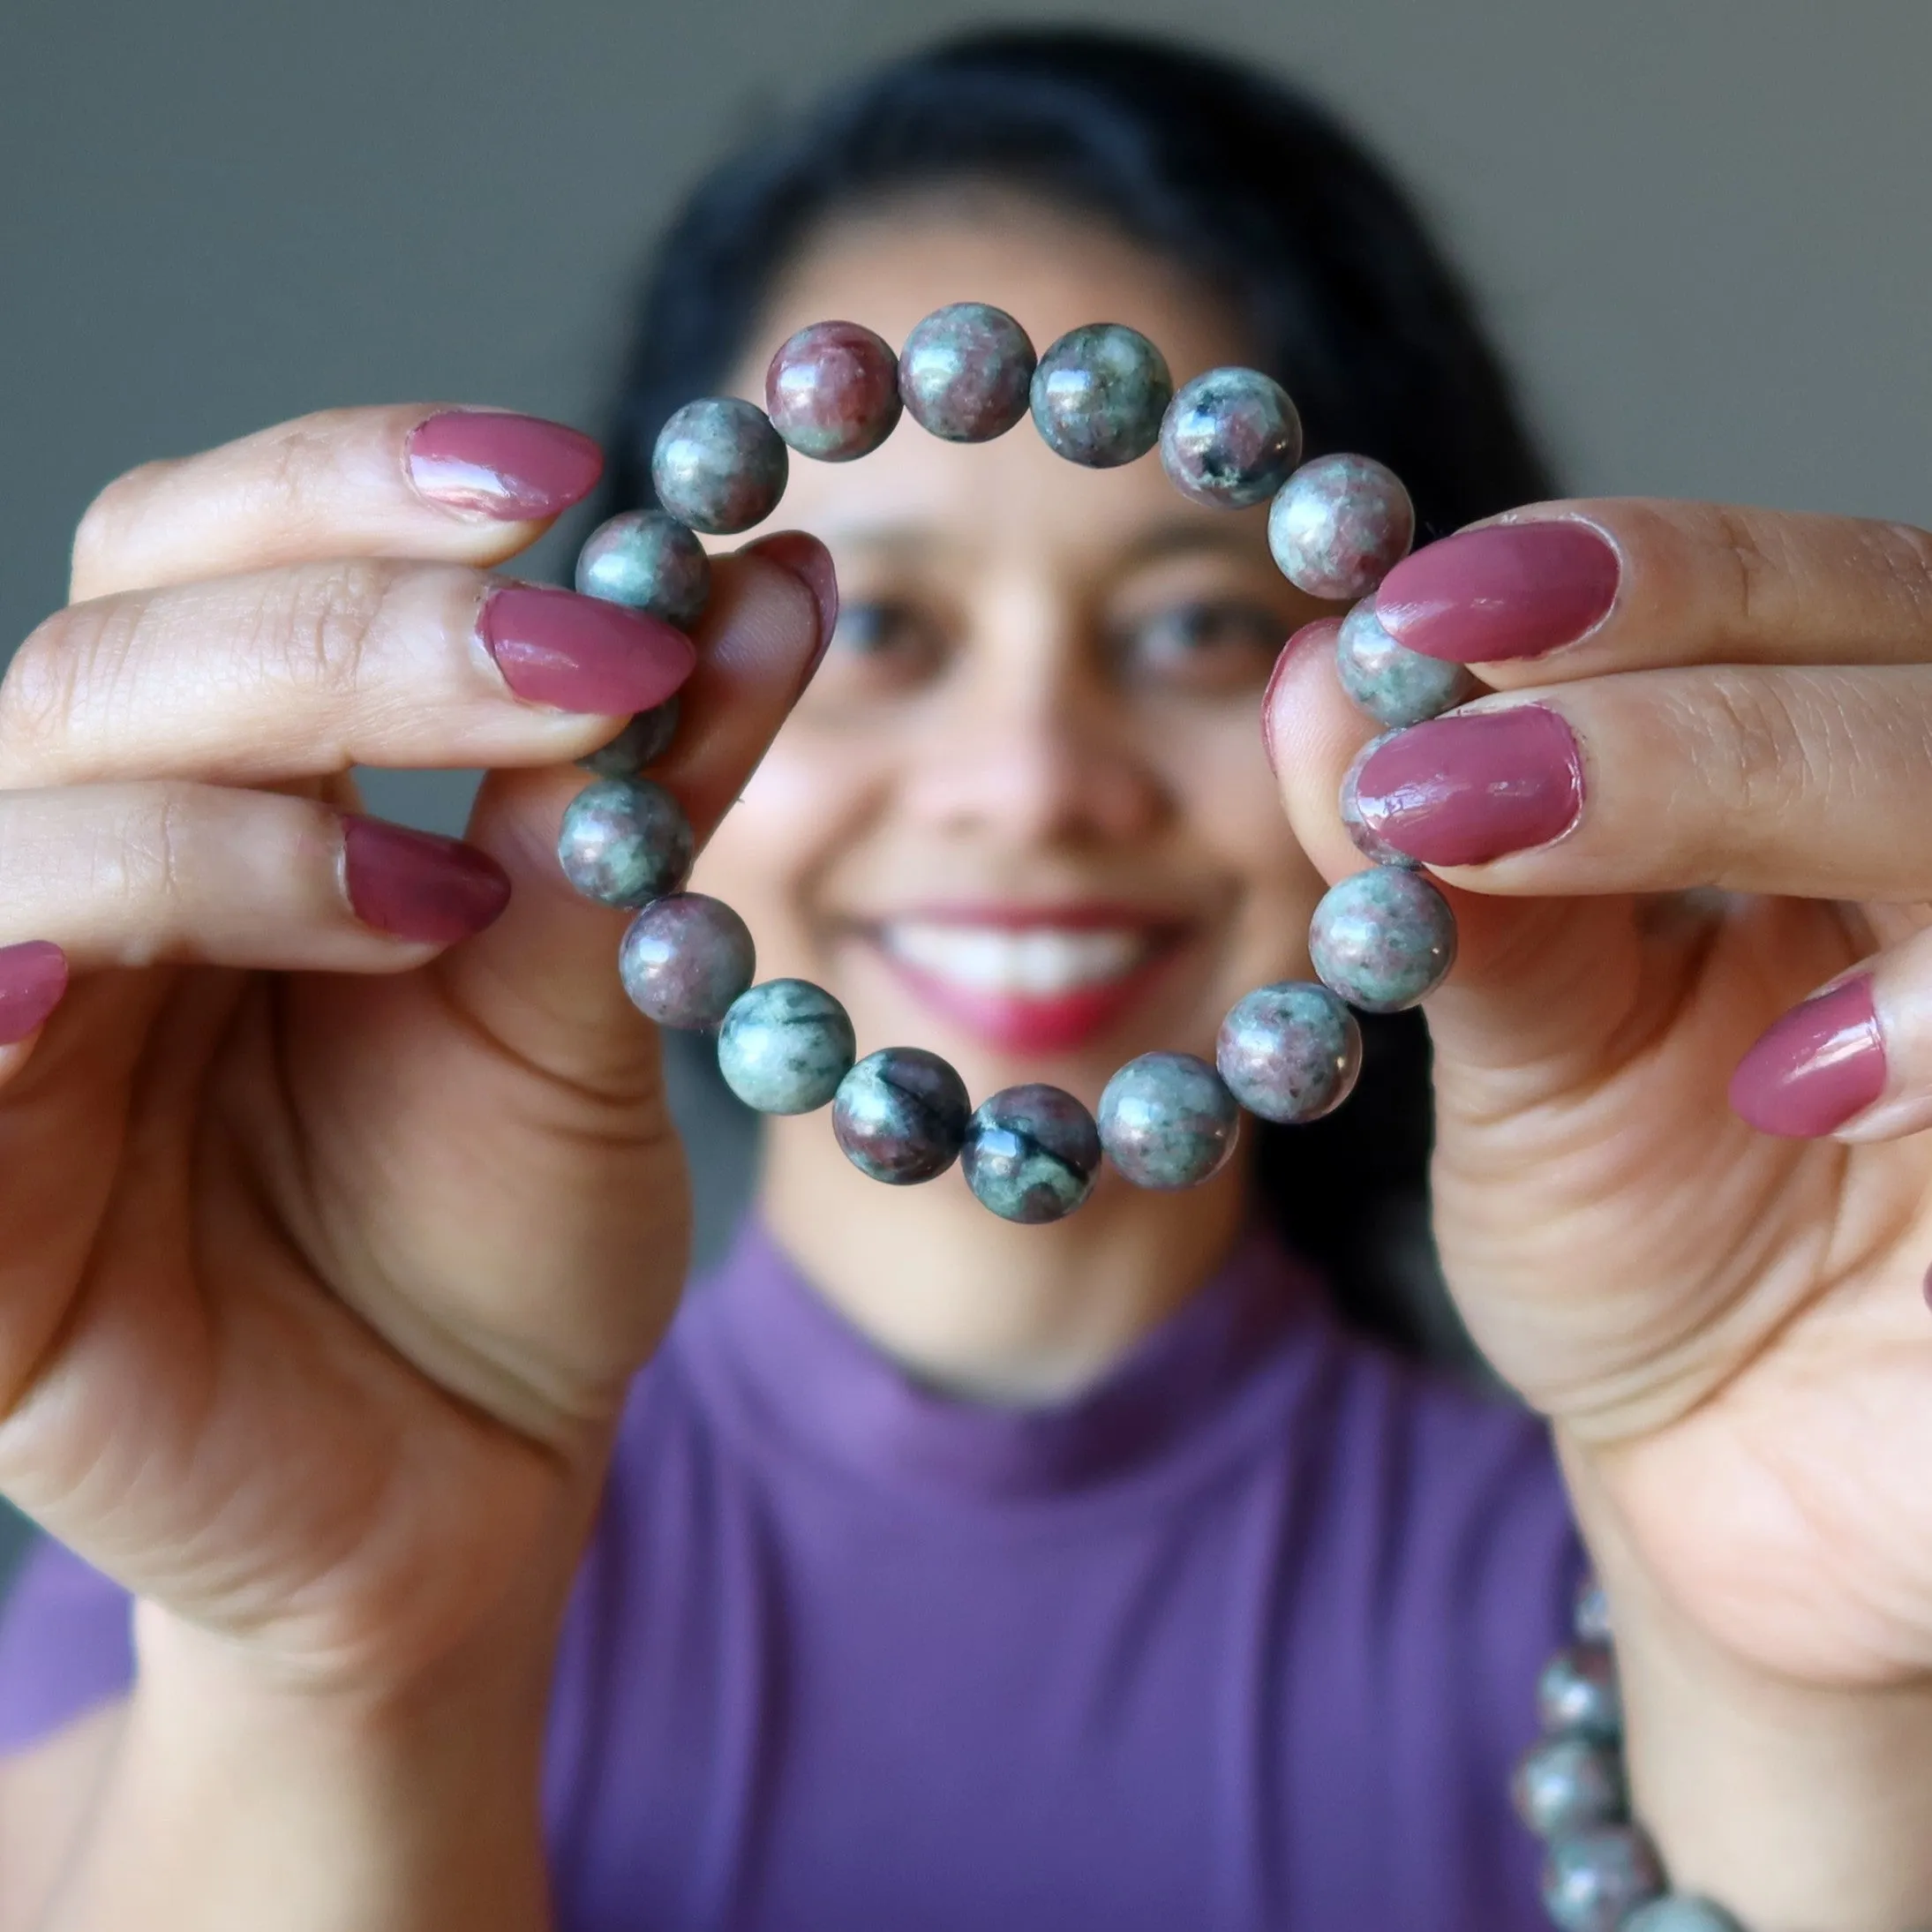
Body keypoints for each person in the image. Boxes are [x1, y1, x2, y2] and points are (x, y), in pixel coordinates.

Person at [1, 26, 1929, 1931]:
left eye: (1190, 624)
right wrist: (346, 1669)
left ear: (1408, 718)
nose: (1029, 784)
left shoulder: (1654, 1565)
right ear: (649, 706)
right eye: (885, 623)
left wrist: (1799, 1701)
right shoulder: (199, 1586)